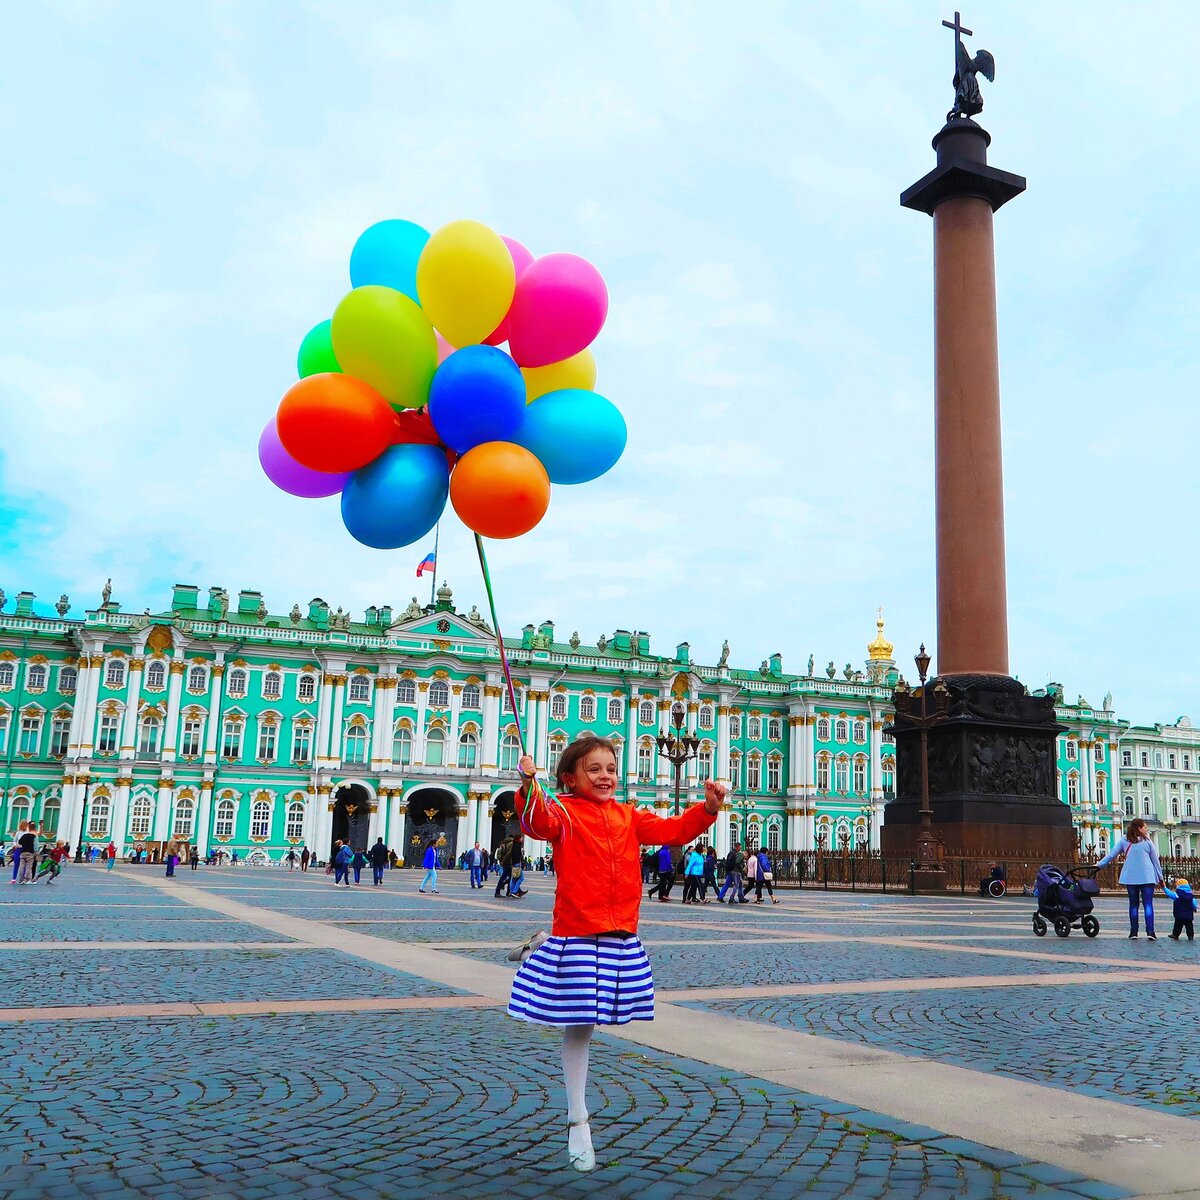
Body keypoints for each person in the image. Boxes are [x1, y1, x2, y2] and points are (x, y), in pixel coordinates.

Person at [508, 735, 726, 1172]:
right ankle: (577, 1119)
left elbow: (672, 832)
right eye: (594, 769)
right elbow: (536, 823)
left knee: (592, 1021)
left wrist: (708, 808)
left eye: (610, 768)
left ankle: (535, 949)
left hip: (619, 933)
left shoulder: (628, 816)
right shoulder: (563, 812)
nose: (605, 776)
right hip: (578, 930)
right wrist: (529, 785)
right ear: (569, 778)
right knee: (581, 1023)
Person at [1095, 818, 1164, 939]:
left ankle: (1133, 932)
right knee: (1148, 904)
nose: (1146, 829)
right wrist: (1160, 877)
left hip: (1131, 877)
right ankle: (1150, 932)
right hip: (1147, 877)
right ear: (1139, 828)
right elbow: (1155, 861)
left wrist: (1099, 865)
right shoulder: (1147, 842)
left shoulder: (1124, 840)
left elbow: (1112, 854)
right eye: (1145, 827)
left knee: (1133, 905)